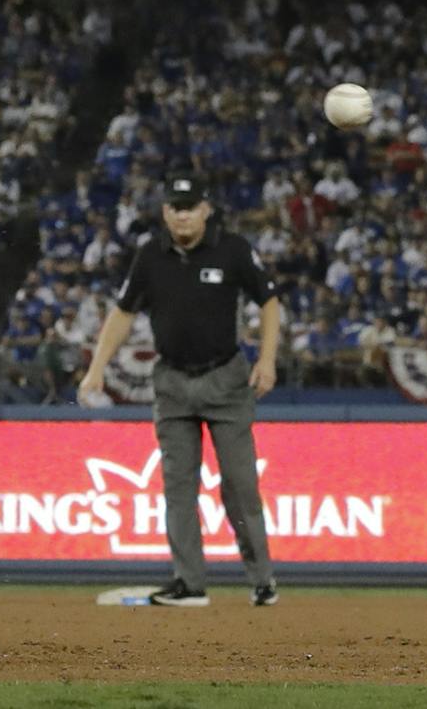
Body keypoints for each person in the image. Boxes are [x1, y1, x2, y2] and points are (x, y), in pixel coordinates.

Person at [78, 176, 281, 608]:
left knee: (240, 484)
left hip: (226, 379)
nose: (184, 215)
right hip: (171, 380)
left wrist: (267, 359)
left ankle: (262, 579)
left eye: (191, 207)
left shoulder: (233, 249)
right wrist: (96, 369)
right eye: (176, 207)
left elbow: (268, 301)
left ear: (206, 209)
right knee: (178, 486)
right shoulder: (151, 255)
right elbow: (123, 312)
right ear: (165, 213)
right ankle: (189, 583)